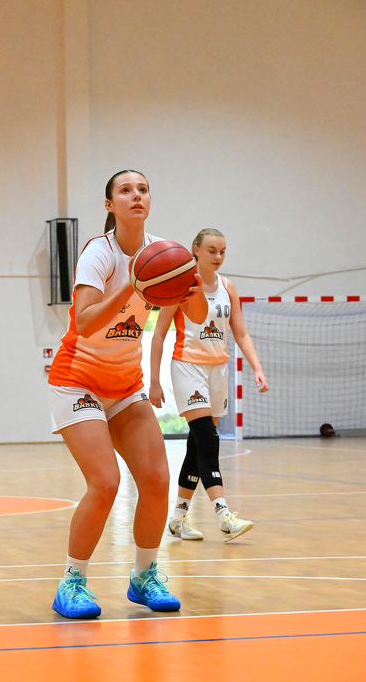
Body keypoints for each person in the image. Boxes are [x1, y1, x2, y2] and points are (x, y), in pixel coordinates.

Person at [47, 170, 207, 618]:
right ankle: (72, 582)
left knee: (156, 480)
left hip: (124, 385)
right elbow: (83, 322)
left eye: (143, 189)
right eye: (125, 190)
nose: (136, 195)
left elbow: (195, 314)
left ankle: (144, 577)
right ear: (109, 205)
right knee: (106, 483)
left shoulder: (165, 254)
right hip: (77, 379)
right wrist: (132, 285)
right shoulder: (99, 252)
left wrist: (190, 283)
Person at [149, 228, 268, 543]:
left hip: (219, 370)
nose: (218, 256)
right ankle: (224, 515)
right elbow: (158, 334)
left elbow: (240, 332)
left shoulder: (228, 287)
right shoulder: (179, 286)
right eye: (212, 250)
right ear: (196, 250)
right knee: (208, 438)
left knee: (197, 445)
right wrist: (154, 381)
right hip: (188, 367)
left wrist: (257, 368)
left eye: (223, 251)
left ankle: (178, 518)